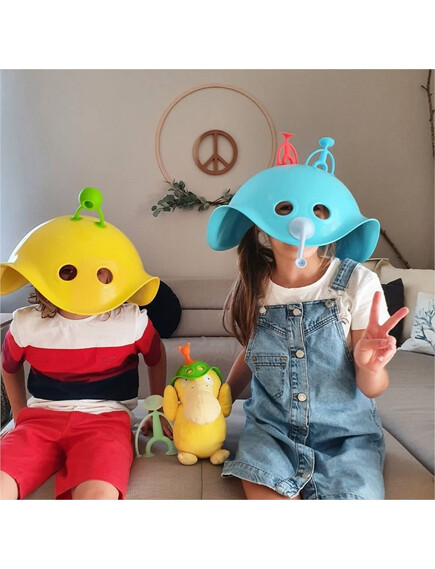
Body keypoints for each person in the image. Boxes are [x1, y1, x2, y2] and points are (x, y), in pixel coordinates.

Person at [207, 136, 409, 500]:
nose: (300, 222)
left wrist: (371, 366)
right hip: (270, 434)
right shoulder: (252, 284)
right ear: (262, 224)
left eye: (318, 211)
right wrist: (215, 404)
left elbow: (371, 387)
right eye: (284, 209)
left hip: (346, 437)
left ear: (331, 221)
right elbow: (252, 354)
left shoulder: (358, 282)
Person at [0, 188, 169, 500]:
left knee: (99, 495)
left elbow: (156, 357)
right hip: (39, 421)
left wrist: (157, 409)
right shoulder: (26, 323)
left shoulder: (131, 322)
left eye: (100, 273)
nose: (86, 282)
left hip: (106, 422)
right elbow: (9, 366)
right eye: (69, 273)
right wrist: (19, 410)